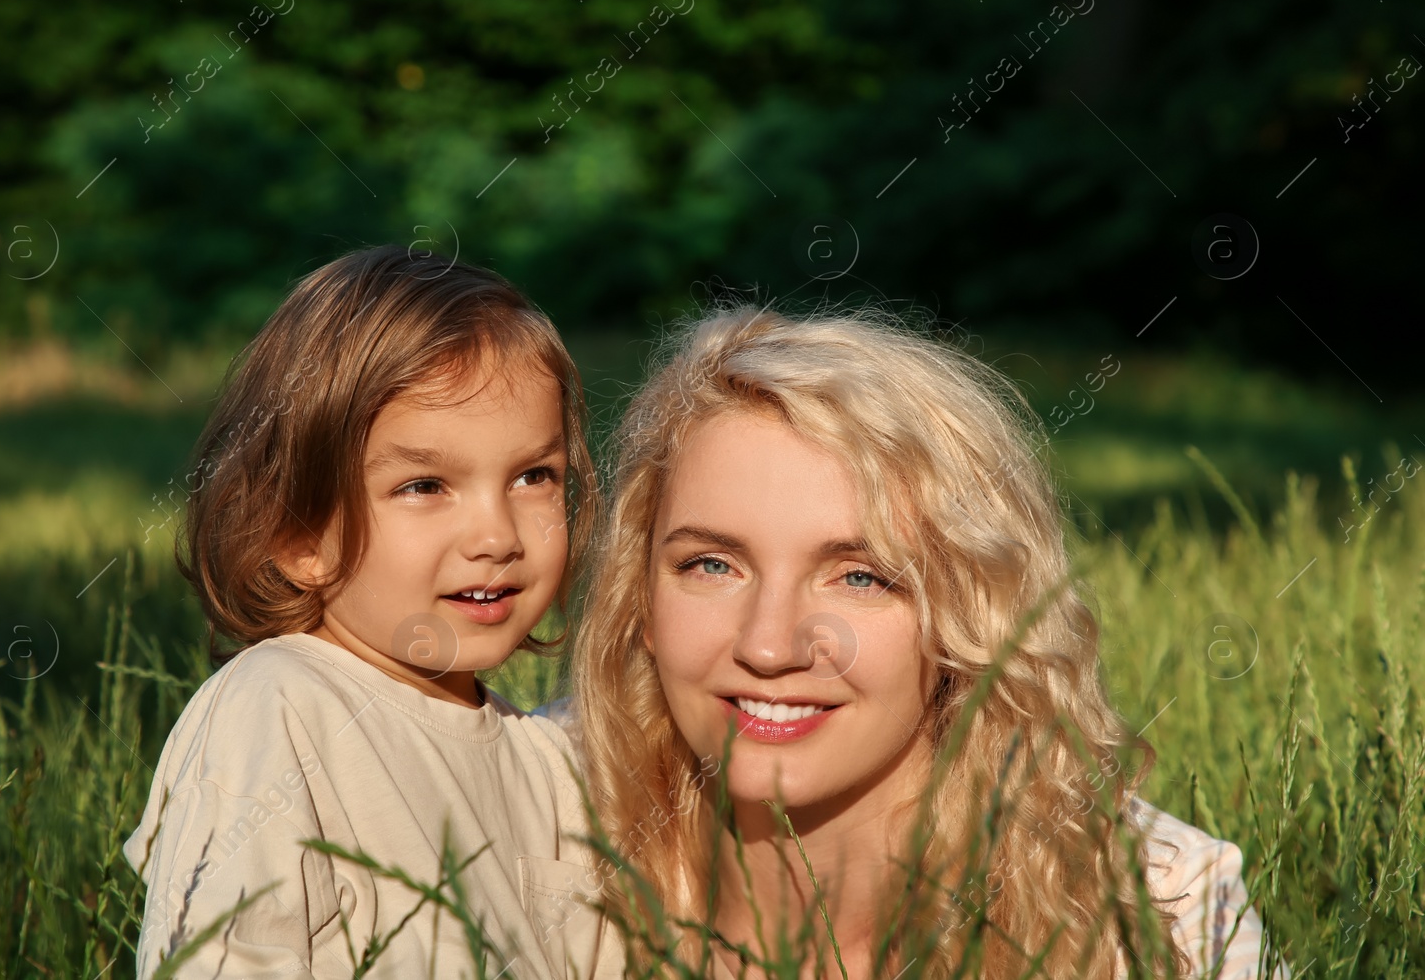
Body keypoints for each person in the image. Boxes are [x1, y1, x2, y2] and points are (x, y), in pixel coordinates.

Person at [570, 306, 1280, 979]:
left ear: (971, 617)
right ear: (640, 598)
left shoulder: (1166, 913)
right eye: (712, 564)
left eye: (860, 576)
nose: (768, 645)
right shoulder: (536, 825)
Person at [124, 246, 608, 979]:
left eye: (533, 476)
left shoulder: (543, 761)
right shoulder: (279, 705)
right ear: (297, 534)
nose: (497, 536)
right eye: (424, 485)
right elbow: (222, 959)